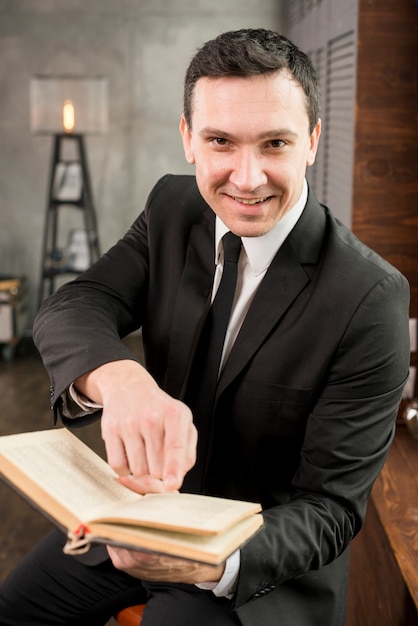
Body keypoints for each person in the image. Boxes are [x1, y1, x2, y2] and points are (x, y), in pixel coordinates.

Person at [0, 28, 410, 626]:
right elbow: (75, 304)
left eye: (275, 143)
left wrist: (208, 563)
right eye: (221, 141)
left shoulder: (370, 297)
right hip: (141, 515)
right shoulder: (173, 207)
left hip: (256, 570)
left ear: (313, 142)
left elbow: (331, 509)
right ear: (189, 139)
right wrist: (123, 382)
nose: (246, 178)